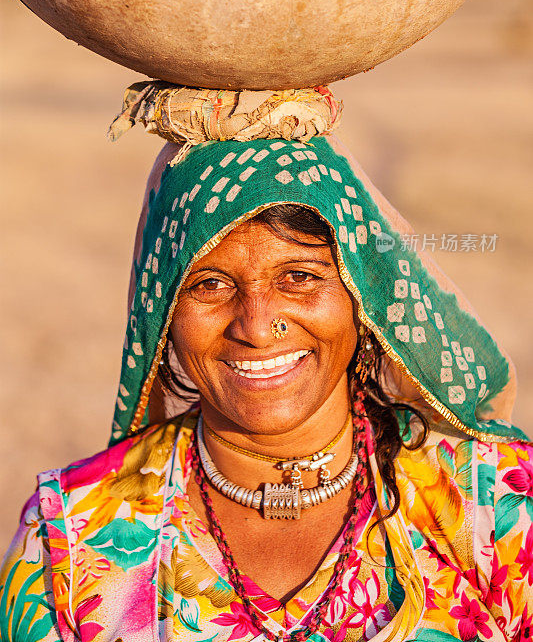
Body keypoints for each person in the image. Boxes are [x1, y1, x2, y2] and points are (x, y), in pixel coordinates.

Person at [1, 85, 531, 642]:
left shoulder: (496, 513)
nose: (255, 326)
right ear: (164, 314)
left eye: (299, 277)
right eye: (209, 283)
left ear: (362, 294)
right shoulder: (68, 546)